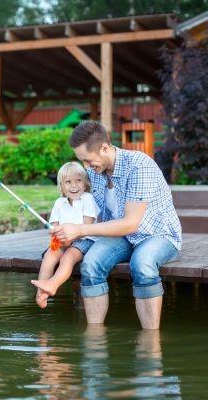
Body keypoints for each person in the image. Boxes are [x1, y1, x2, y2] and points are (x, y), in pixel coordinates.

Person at [52, 121, 182, 329]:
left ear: (104, 148)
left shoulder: (139, 165)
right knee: (91, 264)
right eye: (82, 161)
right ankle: (95, 340)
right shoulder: (96, 170)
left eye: (87, 160)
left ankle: (150, 341)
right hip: (122, 236)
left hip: (158, 234)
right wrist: (64, 229)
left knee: (142, 264)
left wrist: (80, 230)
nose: (86, 167)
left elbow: (131, 224)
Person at [31, 161, 100, 308]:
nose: (73, 186)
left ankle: (53, 284)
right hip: (64, 240)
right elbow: (54, 226)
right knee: (50, 254)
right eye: (68, 182)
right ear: (61, 186)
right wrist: (57, 235)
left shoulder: (88, 199)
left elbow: (86, 226)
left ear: (85, 184)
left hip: (85, 239)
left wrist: (71, 238)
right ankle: (41, 291)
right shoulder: (59, 203)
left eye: (78, 181)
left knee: (68, 257)